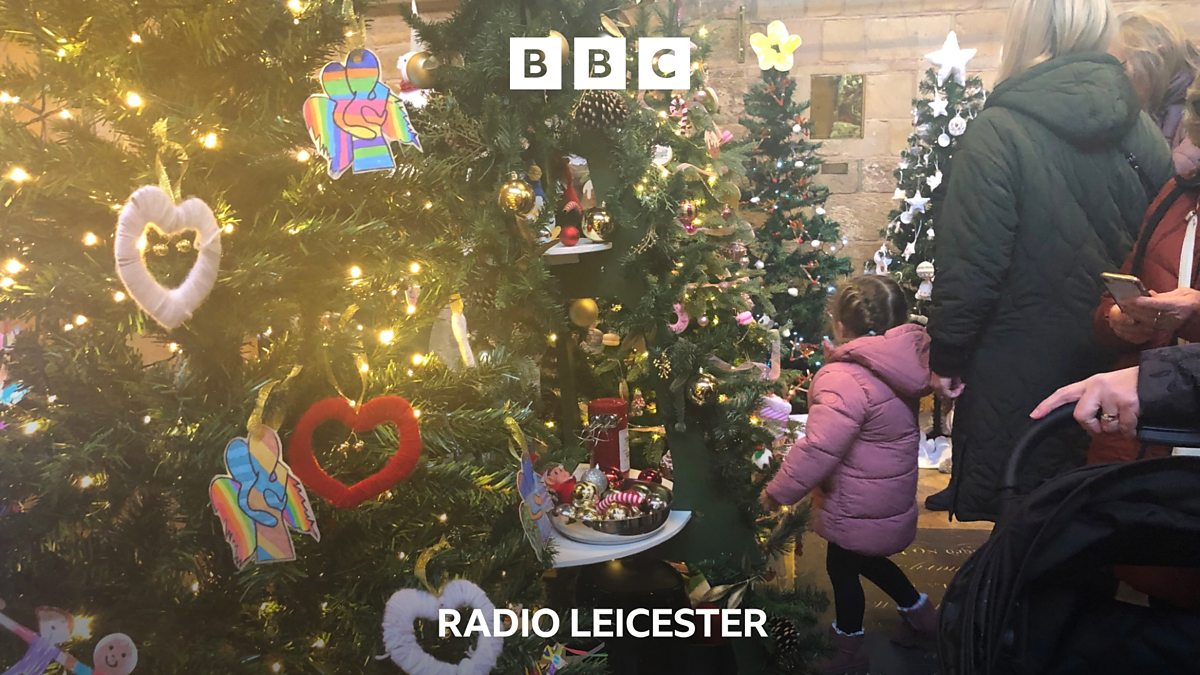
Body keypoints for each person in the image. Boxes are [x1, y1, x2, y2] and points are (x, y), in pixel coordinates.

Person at [925, 0, 1174, 520]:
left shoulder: (999, 130)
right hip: (1111, 364)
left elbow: (972, 263)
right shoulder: (1144, 132)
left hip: (1015, 365)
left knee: (1020, 522)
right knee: (1089, 525)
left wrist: (947, 356)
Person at [759, 276, 936, 675]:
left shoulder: (844, 377)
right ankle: (923, 615)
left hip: (855, 499)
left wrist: (777, 493)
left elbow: (819, 448)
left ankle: (848, 654)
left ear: (840, 324)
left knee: (842, 570)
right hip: (885, 491)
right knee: (867, 561)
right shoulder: (903, 362)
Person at [1090, 75, 1200, 462]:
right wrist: (1120, 319)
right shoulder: (1176, 195)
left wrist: (1194, 313)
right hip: (1144, 448)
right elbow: (1115, 297)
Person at [1112, 8, 1200, 175]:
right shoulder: (1156, 99)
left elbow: (1179, 169)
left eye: (1125, 68)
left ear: (1159, 56)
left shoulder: (1194, 103)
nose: (1121, 80)